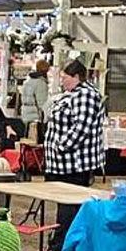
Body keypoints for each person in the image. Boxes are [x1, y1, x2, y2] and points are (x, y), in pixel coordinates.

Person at [43, 58, 105, 186]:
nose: (62, 82)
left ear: (76, 77)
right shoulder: (71, 94)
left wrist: (60, 146)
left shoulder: (86, 95)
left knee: (70, 205)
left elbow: (81, 128)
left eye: (64, 78)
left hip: (73, 167)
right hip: (61, 165)